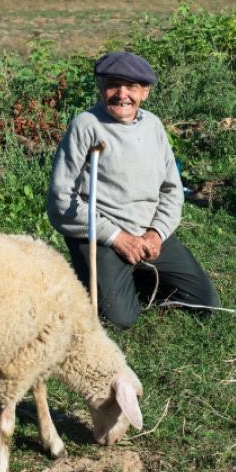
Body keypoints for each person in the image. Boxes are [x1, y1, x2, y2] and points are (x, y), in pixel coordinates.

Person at [46, 51, 220, 329]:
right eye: (113, 84)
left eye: (132, 87)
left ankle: (135, 274)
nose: (122, 94)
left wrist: (157, 233)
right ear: (101, 87)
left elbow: (172, 190)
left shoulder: (153, 126)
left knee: (204, 302)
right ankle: (99, 275)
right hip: (102, 237)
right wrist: (116, 237)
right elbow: (60, 199)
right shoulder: (86, 126)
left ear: (145, 92)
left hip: (148, 235)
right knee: (119, 320)